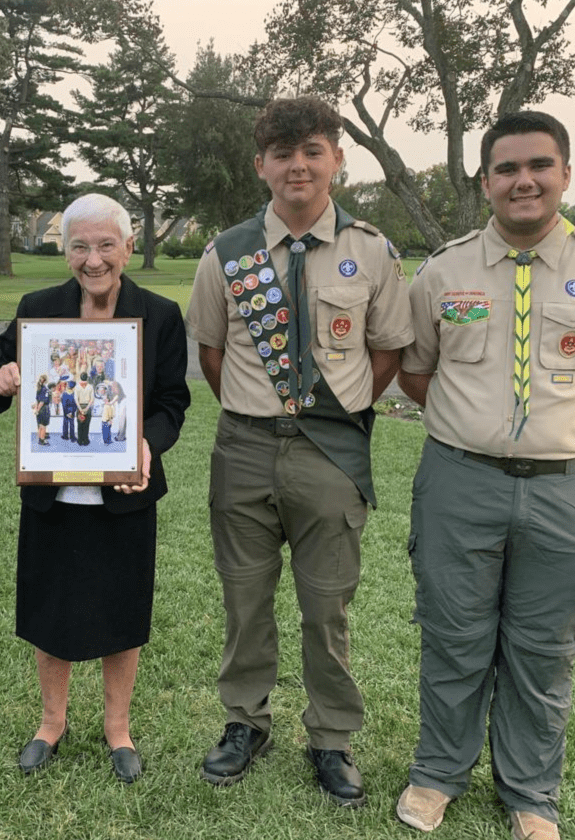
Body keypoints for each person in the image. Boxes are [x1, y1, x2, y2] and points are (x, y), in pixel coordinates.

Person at [394, 112, 575, 840]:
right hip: (460, 484)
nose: (523, 180)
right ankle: (436, 774)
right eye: (506, 168)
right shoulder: (441, 270)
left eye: (538, 166)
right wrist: (478, 431)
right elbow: (417, 373)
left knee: (544, 648)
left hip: (564, 490)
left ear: (563, 174)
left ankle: (528, 793)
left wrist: (554, 434)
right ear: (484, 180)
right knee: (452, 637)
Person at [186, 96, 413, 807]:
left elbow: (385, 355)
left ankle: (331, 738)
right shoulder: (226, 254)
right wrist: (262, 414)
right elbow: (214, 355)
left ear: (336, 160)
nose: (297, 166)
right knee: (244, 601)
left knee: (326, 606)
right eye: (281, 154)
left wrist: (331, 414)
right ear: (261, 166)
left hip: (330, 453)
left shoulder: (372, 252)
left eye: (311, 151)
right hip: (245, 448)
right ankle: (243, 724)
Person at [0, 193, 189, 784]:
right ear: (64, 249)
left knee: (123, 608)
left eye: (104, 245)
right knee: (51, 607)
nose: (92, 259)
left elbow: (173, 401)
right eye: (79, 246)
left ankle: (118, 730)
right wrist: (0, 377)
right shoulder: (38, 308)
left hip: (126, 492)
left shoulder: (161, 314)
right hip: (52, 492)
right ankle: (51, 723)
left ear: (126, 246)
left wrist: (146, 442)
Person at [73, 371, 94, 446]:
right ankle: (85, 440)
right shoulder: (90, 387)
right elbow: (92, 399)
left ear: (80, 377)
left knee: (80, 425)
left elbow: (76, 399)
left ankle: (79, 440)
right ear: (87, 378)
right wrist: (87, 408)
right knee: (86, 425)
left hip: (80, 406)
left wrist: (80, 409)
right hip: (87, 407)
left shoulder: (77, 387)